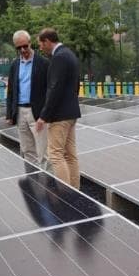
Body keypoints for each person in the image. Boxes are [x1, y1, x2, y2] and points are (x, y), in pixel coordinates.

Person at [35, 28, 81, 189]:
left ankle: (65, 197)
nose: (40, 48)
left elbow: (54, 88)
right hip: (71, 112)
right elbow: (76, 84)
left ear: (47, 41)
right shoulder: (69, 54)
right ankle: (75, 192)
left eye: (41, 44)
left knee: (55, 154)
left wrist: (44, 116)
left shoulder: (59, 58)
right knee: (70, 155)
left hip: (60, 115)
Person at [5, 30, 49, 168]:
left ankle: (49, 186)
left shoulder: (43, 63)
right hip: (20, 112)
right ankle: (34, 184)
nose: (23, 50)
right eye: (19, 48)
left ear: (30, 43)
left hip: (37, 113)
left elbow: (49, 90)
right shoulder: (15, 65)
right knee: (27, 150)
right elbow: (11, 91)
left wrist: (46, 113)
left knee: (44, 153)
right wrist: (9, 114)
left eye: (25, 46)